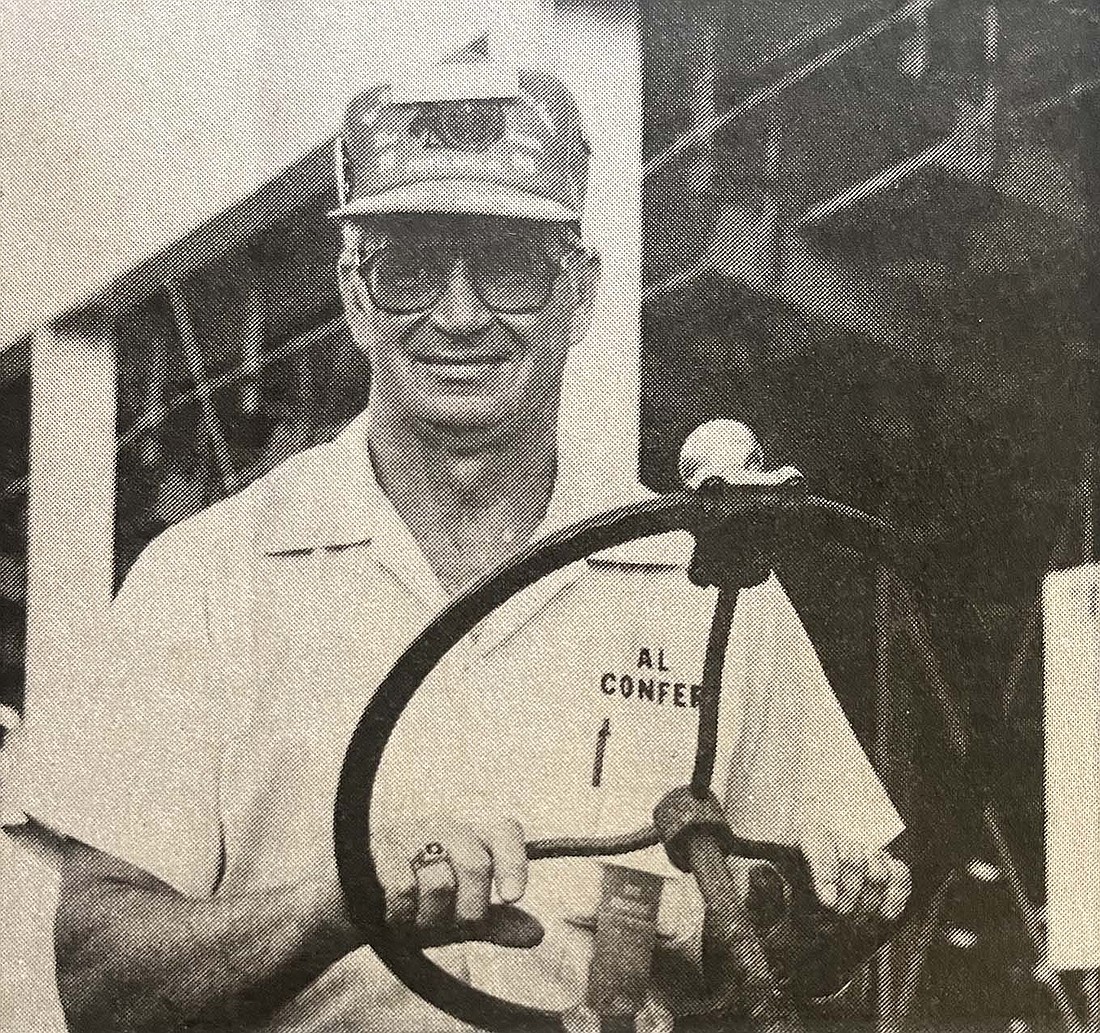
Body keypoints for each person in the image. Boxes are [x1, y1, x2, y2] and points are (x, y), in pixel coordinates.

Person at [15, 55, 911, 1033]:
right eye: (407, 268)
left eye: (508, 265)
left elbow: (782, 945)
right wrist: (345, 900)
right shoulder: (203, 580)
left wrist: (825, 912)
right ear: (355, 297)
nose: (456, 313)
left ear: (579, 293)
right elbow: (99, 980)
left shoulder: (701, 578)